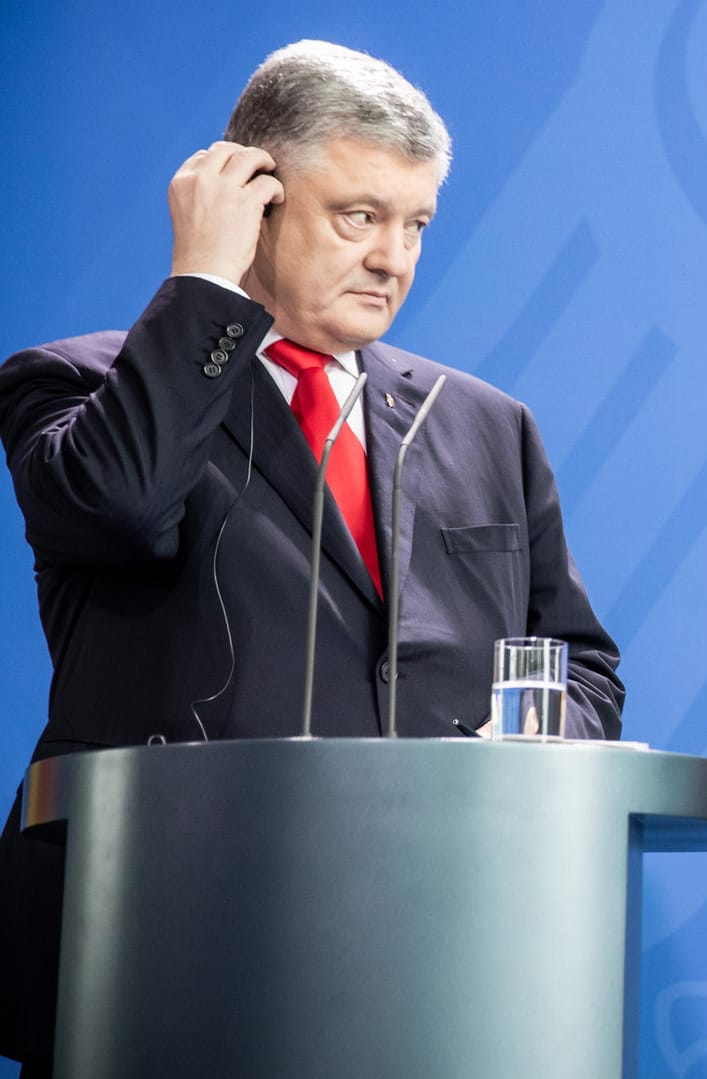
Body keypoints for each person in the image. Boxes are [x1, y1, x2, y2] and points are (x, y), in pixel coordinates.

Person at [0, 41, 623, 1072]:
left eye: (416, 223)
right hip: (160, 947)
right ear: (253, 198)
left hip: (434, 949)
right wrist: (203, 283)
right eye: (359, 215)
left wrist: (500, 754)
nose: (394, 257)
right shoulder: (79, 385)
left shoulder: (486, 424)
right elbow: (115, 508)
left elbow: (582, 666)